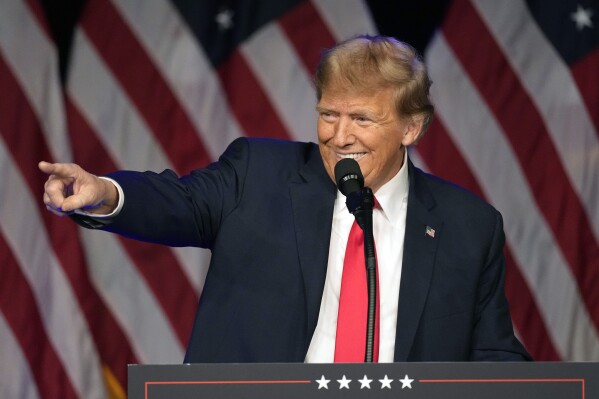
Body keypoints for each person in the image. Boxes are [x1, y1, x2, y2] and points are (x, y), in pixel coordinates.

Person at [40, 35, 531, 363]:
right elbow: (181, 202)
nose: (340, 136)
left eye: (361, 119)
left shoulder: (470, 226)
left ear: (411, 127)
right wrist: (107, 194)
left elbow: (495, 359)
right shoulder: (258, 175)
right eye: (328, 114)